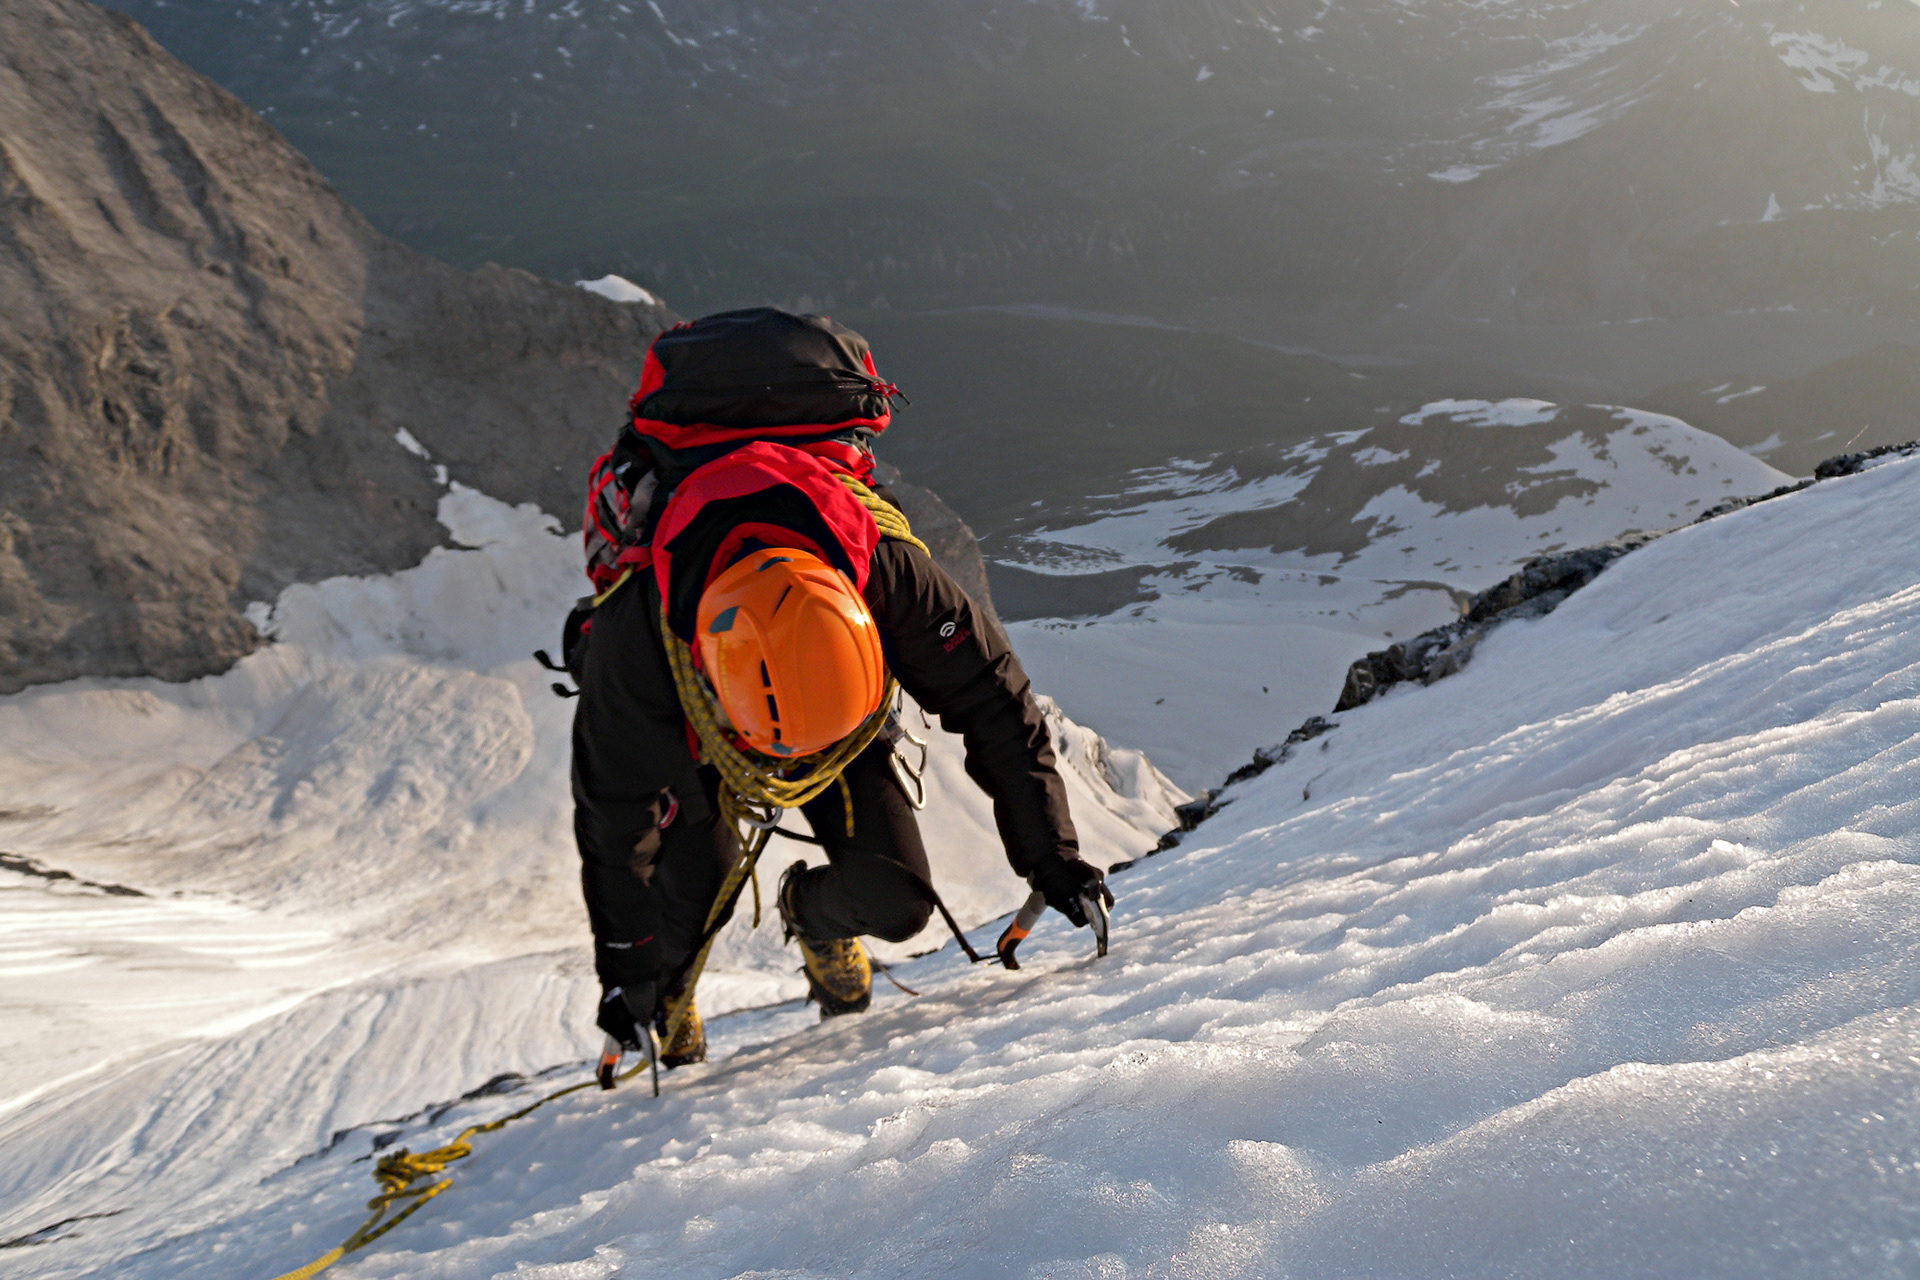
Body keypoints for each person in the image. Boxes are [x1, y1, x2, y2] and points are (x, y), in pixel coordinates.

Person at [570, 308, 1112, 1068]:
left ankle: (810, 915)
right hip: (704, 737)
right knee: (689, 906)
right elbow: (615, 821)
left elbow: (992, 698)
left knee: (897, 902)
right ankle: (666, 1006)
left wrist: (1051, 857)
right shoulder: (640, 637)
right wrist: (628, 976)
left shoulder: (887, 573)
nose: (790, 760)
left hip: (841, 727)